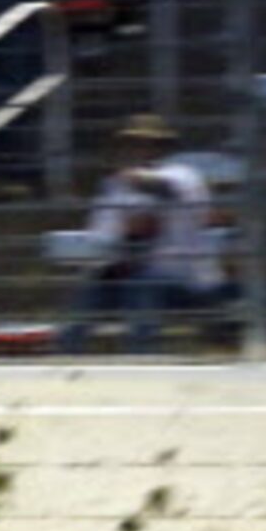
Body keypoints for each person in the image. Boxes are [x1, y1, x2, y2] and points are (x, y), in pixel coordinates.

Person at [63, 114, 228, 355]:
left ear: (164, 146)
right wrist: (118, 242)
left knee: (142, 284)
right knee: (92, 288)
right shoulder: (114, 186)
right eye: (133, 142)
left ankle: (142, 358)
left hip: (187, 281)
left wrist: (129, 180)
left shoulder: (184, 175)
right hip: (133, 275)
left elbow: (165, 188)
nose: (140, 148)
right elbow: (101, 237)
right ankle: (65, 358)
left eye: (148, 142)